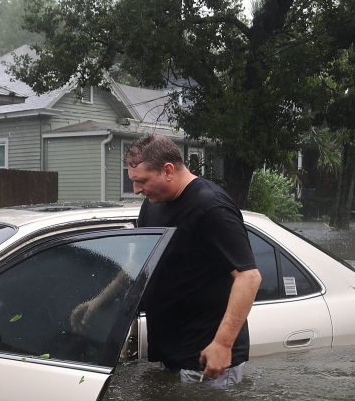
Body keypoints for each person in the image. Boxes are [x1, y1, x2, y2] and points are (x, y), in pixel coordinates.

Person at [74, 134, 260, 387]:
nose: (137, 190)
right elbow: (137, 264)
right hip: (170, 353)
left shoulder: (211, 207)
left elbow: (248, 276)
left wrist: (222, 344)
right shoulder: (153, 205)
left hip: (207, 358)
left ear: (168, 170)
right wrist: (99, 302)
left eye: (142, 181)